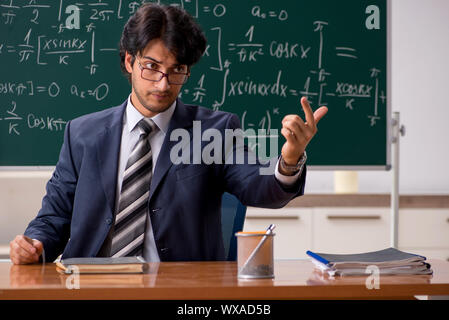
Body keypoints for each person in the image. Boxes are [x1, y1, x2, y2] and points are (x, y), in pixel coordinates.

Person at [9, 3, 327, 264]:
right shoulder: (82, 133)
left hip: (180, 289)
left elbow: (260, 189)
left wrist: (289, 160)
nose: (163, 84)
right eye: (152, 67)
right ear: (129, 61)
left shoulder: (212, 131)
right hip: (93, 286)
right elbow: (53, 219)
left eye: (177, 71)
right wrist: (33, 244)